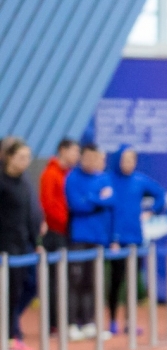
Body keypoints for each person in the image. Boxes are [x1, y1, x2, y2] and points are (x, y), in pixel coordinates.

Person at [106, 146, 167, 333]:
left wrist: (152, 211)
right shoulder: (108, 180)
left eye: (132, 160)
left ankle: (129, 322)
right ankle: (113, 321)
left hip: (135, 239)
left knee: (132, 283)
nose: (128, 163)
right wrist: (111, 237)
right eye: (125, 159)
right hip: (115, 240)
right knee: (115, 281)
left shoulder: (139, 181)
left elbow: (160, 195)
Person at [63, 142, 114, 340]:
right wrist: (97, 199)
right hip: (79, 238)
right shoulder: (73, 178)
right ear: (82, 158)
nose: (93, 162)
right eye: (89, 158)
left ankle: (89, 321)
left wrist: (90, 199)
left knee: (93, 282)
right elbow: (77, 205)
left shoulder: (103, 177)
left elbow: (110, 200)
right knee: (75, 281)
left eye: (97, 158)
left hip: (98, 238)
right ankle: (72, 322)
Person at [1, 137, 43, 350]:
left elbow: (29, 214)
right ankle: (9, 337)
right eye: (21, 157)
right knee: (6, 293)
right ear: (9, 157)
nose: (26, 161)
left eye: (28, 157)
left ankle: (10, 332)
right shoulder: (2, 182)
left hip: (22, 246)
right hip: (5, 248)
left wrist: (35, 240)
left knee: (23, 289)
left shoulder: (24, 182)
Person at [38, 138, 78, 254]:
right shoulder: (50, 173)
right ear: (63, 150)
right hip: (55, 230)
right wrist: (61, 221)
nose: (77, 155)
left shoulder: (70, 174)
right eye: (74, 151)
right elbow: (47, 203)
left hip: (67, 229)